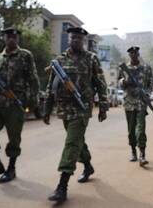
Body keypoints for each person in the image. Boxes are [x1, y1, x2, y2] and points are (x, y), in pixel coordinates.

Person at [43, 27, 108, 203]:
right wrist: (47, 109)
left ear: (84, 41)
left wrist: (103, 106)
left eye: (79, 38)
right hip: (65, 108)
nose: (76, 41)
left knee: (71, 142)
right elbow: (52, 86)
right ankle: (88, 166)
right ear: (69, 39)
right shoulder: (59, 60)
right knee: (78, 141)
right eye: (73, 38)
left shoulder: (91, 58)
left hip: (82, 108)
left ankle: (62, 186)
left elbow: (100, 83)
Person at [0, 27, 40, 184]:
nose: (12, 39)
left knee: (14, 138)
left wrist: (33, 102)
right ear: (4, 39)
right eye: (9, 36)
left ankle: (11, 169)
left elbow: (33, 79)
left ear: (18, 39)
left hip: (16, 103)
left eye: (14, 36)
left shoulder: (25, 55)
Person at [118, 46, 153, 167]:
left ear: (138, 54)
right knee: (131, 130)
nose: (134, 55)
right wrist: (124, 82)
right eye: (131, 53)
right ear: (129, 55)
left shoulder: (146, 68)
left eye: (136, 53)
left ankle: (142, 154)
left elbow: (150, 84)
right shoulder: (124, 68)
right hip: (129, 103)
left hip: (141, 103)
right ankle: (133, 152)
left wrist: (146, 94)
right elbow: (120, 83)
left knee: (141, 129)